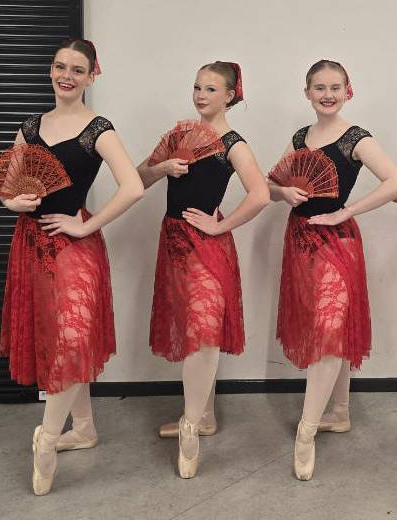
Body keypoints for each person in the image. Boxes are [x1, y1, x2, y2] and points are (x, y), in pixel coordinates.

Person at [0, 38, 144, 495]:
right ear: (51, 70)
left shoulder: (98, 129)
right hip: (30, 244)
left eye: (77, 70)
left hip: (73, 245)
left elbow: (133, 186)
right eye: (60, 66)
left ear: (92, 75)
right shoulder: (30, 127)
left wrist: (87, 225)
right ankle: (83, 428)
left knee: (73, 338)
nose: (67, 75)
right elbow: (6, 188)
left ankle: (47, 436)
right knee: (57, 338)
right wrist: (14, 202)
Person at [269, 59, 397, 480]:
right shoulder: (300, 137)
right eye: (319, 88)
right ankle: (340, 411)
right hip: (300, 241)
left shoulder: (355, 138)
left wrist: (347, 211)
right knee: (328, 328)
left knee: (330, 331)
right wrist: (283, 192)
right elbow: (270, 186)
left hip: (336, 243)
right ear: (307, 93)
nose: (327, 95)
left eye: (334, 87)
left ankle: (307, 430)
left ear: (348, 91)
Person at [137, 61, 269, 478]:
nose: (200, 95)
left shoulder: (233, 144)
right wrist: (163, 168)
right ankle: (204, 415)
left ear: (230, 95)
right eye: (197, 87)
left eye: (210, 89)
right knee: (192, 328)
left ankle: (191, 425)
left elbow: (260, 194)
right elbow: (137, 179)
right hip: (174, 243)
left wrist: (220, 225)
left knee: (205, 330)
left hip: (207, 245)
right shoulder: (178, 137)